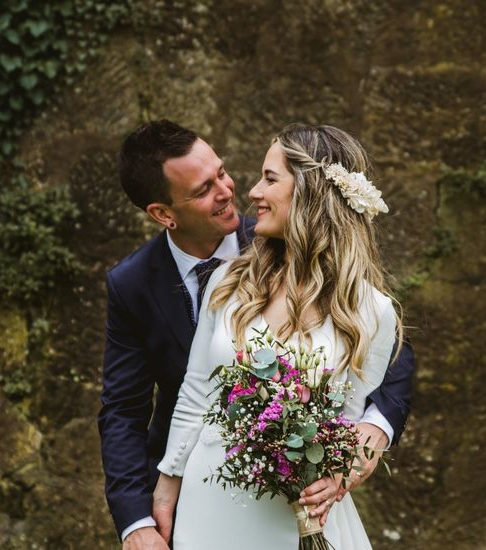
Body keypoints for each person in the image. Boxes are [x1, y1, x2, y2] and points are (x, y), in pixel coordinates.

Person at [99, 120, 414, 550]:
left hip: (293, 512)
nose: (236, 191)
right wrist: (145, 512)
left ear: (307, 192)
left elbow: (381, 373)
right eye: (202, 190)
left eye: (222, 173)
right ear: (163, 213)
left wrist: (368, 437)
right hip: (206, 497)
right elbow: (134, 406)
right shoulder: (210, 281)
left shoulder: (364, 304)